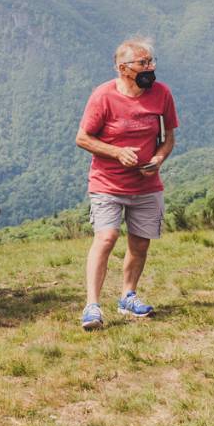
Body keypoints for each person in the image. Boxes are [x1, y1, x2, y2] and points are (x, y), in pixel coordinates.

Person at [75, 38, 179, 332]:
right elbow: (82, 138)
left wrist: (158, 159)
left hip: (147, 186)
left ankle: (127, 297)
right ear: (123, 68)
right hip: (107, 183)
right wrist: (117, 152)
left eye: (151, 61)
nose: (151, 67)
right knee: (106, 238)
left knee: (140, 244)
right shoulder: (103, 96)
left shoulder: (161, 93)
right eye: (143, 63)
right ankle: (92, 305)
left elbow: (169, 136)